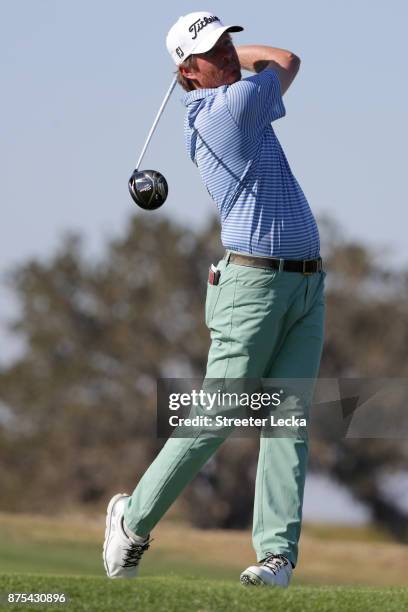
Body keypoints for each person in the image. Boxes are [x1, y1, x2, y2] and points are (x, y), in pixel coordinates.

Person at [103, 11, 326, 588]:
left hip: (304, 284)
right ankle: (133, 519)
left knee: (288, 421)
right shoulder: (228, 110)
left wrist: (223, 54)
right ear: (188, 70)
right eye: (212, 50)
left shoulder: (228, 97)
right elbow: (287, 59)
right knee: (216, 416)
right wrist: (240, 60)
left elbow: (273, 61)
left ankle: (276, 559)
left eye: (229, 41)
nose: (228, 53)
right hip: (251, 290)